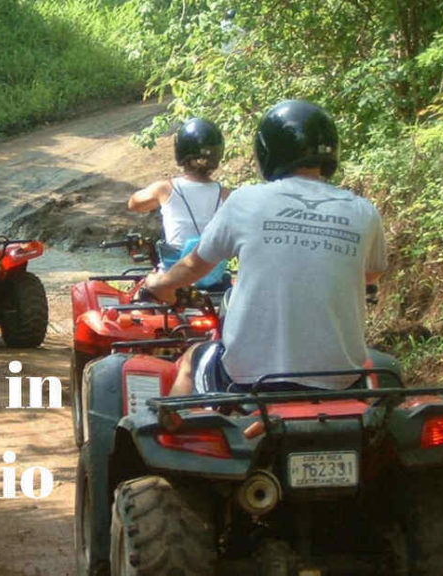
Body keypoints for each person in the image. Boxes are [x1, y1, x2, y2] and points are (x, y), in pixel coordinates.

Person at [142, 100, 387, 394]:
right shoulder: (363, 211)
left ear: (267, 152)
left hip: (252, 381)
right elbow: (370, 275)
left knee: (193, 359)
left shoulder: (246, 201)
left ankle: (174, 434)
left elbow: (194, 266)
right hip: (342, 380)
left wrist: (161, 284)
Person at [128, 118, 230, 288]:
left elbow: (133, 204)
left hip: (172, 279)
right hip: (214, 278)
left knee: (142, 292)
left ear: (180, 152)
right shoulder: (226, 195)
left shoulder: (165, 189)